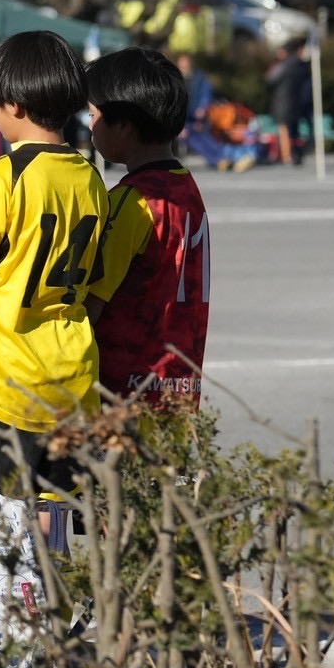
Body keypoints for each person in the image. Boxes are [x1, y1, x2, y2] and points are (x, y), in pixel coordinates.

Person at [0, 31, 107, 513]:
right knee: (58, 513)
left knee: (0, 517)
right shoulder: (90, 177)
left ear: (13, 104)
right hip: (74, 377)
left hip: (9, 382)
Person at [84, 48, 210, 410]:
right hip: (178, 390)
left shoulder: (131, 201)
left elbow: (93, 305)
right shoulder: (186, 189)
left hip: (124, 392)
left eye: (93, 115)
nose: (90, 127)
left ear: (124, 125)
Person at [173, 53, 255, 172]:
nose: (185, 66)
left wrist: (202, 108)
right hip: (184, 119)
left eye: (187, 63)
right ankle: (219, 160)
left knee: (205, 136)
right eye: (183, 64)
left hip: (200, 116)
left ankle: (226, 158)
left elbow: (206, 95)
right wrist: (179, 126)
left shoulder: (199, 77)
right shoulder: (176, 80)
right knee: (193, 138)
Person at [266, 38, 311, 165]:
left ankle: (287, 155)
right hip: (297, 102)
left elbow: (271, 79)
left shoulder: (284, 65)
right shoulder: (301, 65)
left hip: (283, 102)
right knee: (294, 131)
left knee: (284, 130)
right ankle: (296, 153)